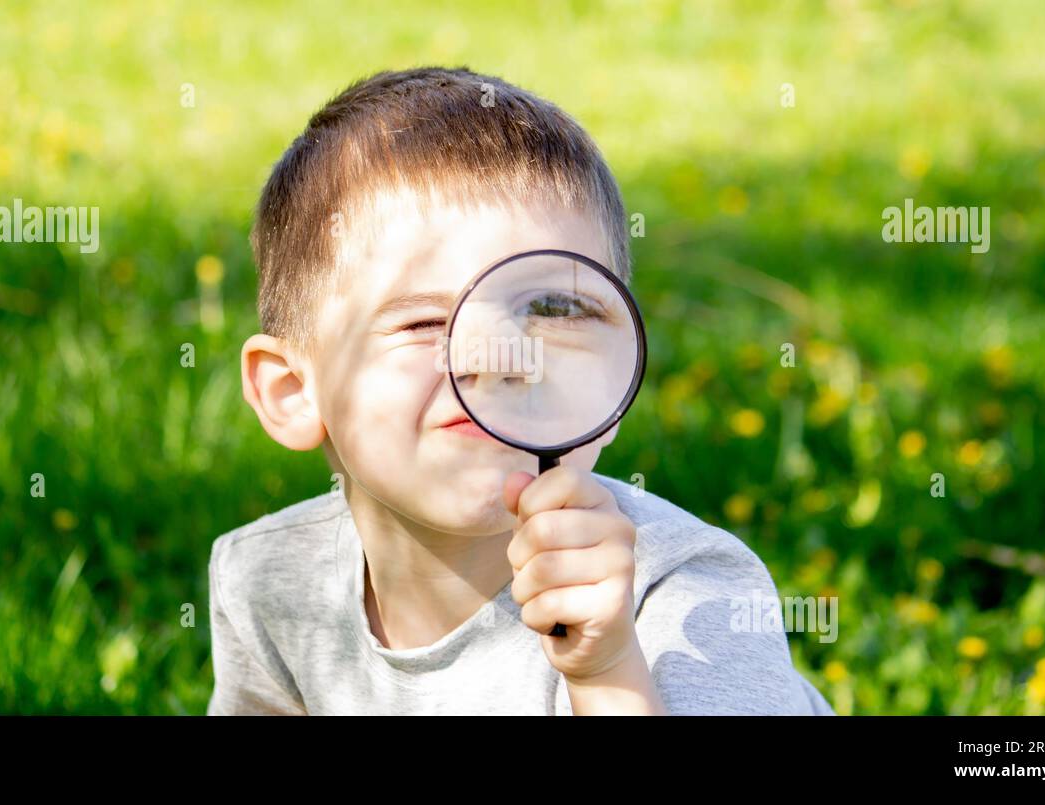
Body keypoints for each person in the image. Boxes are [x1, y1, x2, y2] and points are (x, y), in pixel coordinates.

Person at [207, 66, 835, 715]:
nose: (500, 354)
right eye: (424, 321)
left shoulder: (692, 599)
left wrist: (609, 670)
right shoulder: (267, 581)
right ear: (292, 391)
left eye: (557, 308)